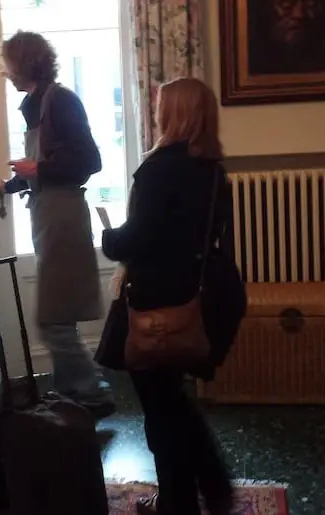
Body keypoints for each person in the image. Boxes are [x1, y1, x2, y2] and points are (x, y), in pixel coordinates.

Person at [101, 77, 234, 515]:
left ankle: (193, 494)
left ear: (172, 113)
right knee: (172, 401)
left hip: (158, 303)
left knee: (161, 409)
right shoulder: (213, 172)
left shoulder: (158, 169)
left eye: (160, 106)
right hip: (198, 300)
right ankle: (198, 491)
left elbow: (138, 238)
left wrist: (109, 238)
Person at [0, 30, 115, 417]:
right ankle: (71, 394)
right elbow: (47, 164)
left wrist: (37, 170)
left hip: (62, 216)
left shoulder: (59, 101)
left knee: (52, 319)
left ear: (23, 64)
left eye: (7, 65)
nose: (4, 73)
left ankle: (91, 392)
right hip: (51, 214)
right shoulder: (39, 102)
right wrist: (13, 184)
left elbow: (90, 161)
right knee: (58, 314)